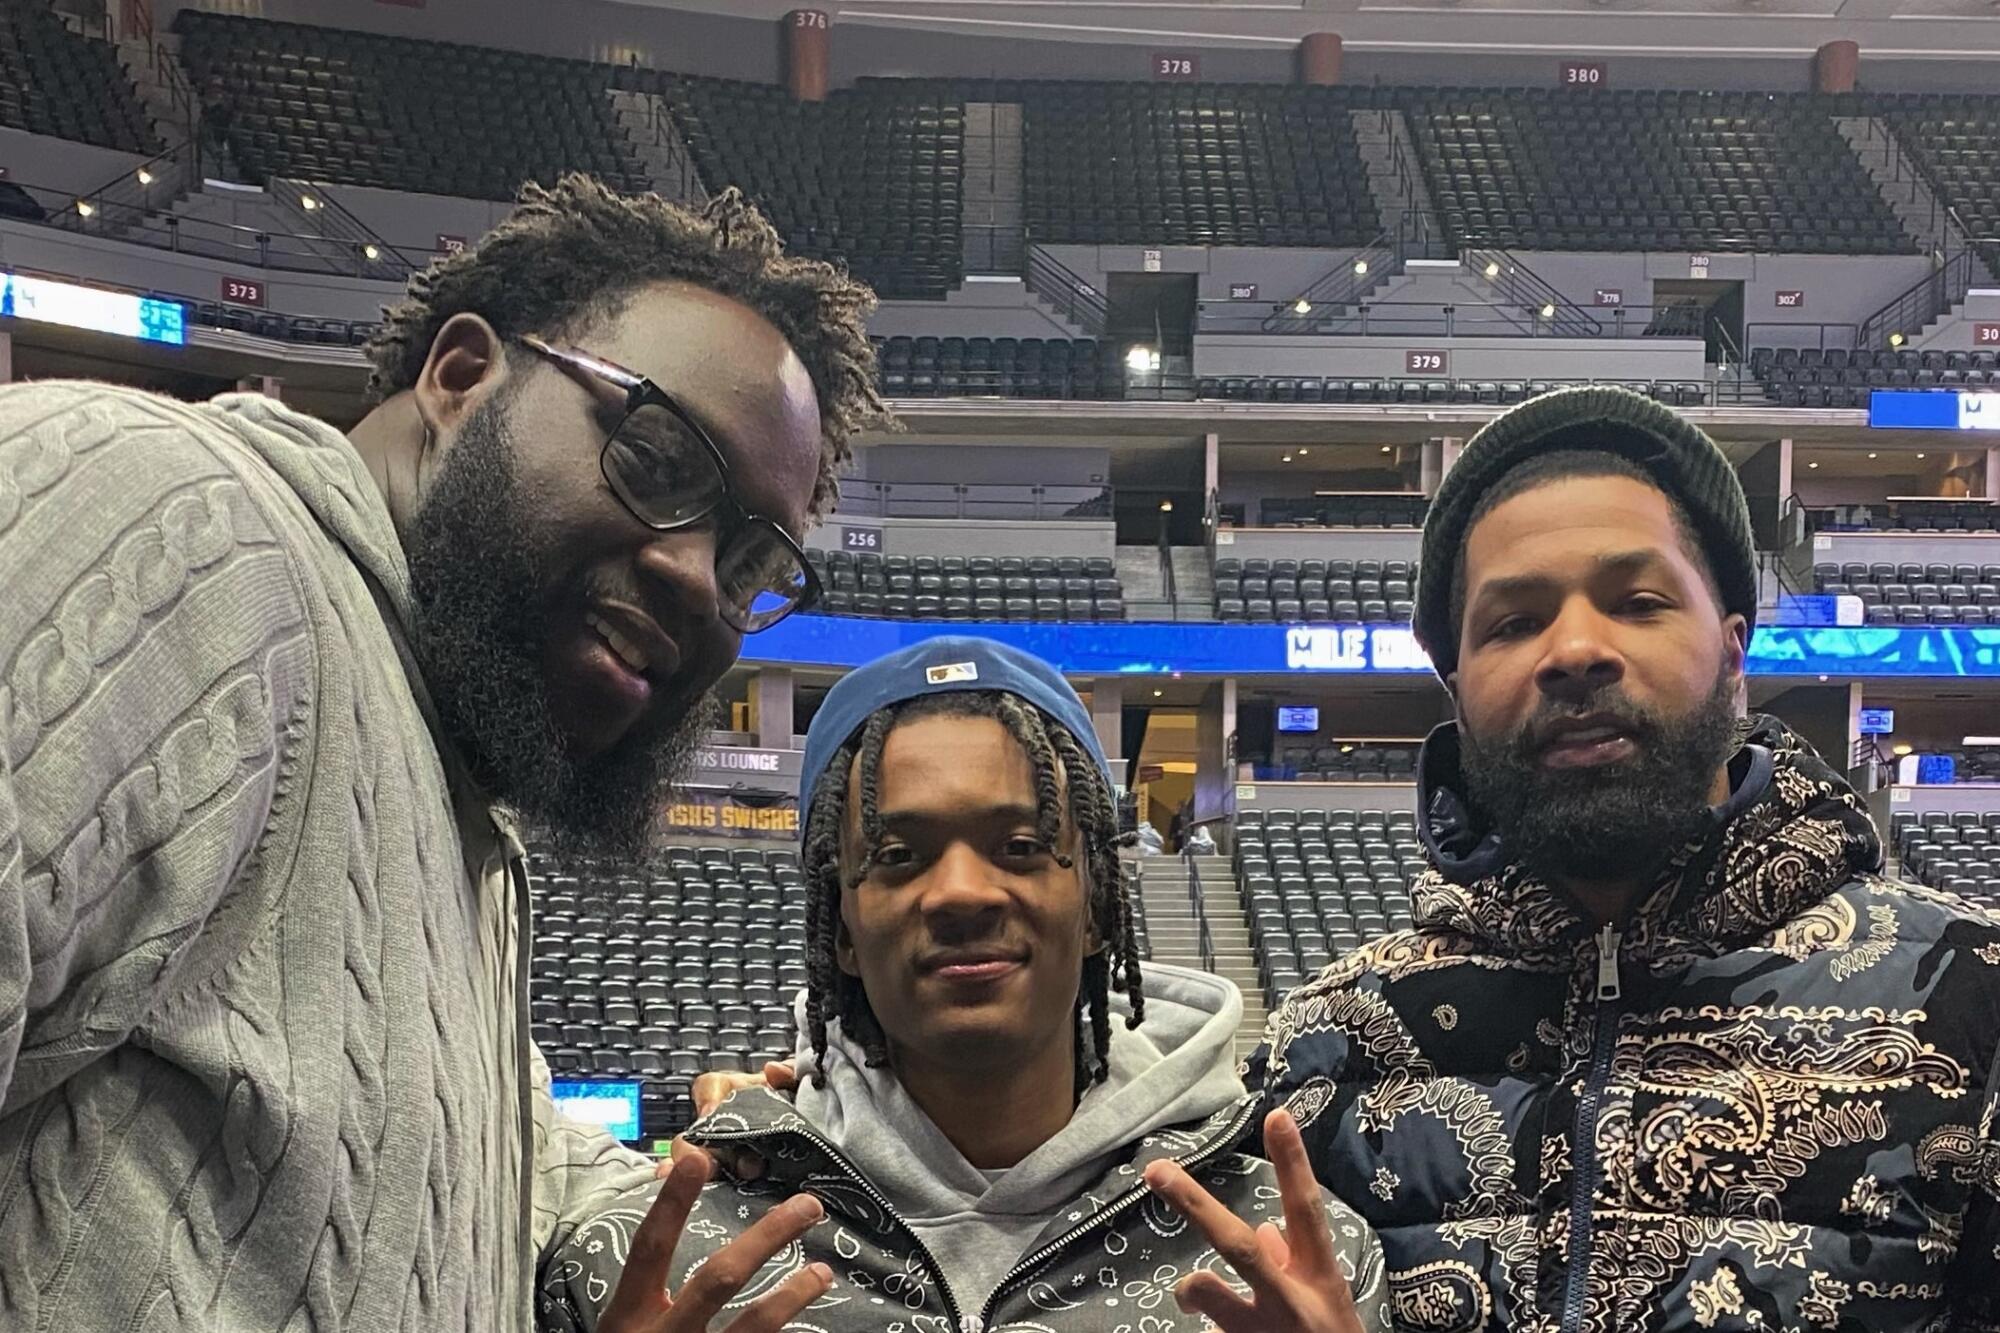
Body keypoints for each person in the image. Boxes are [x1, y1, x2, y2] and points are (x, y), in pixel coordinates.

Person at [0, 175, 889, 1330]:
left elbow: (423, 1164)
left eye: (747, 564)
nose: (690, 574)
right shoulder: (176, 517)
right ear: (462, 379)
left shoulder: (449, 782)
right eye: (659, 461)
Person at [1248, 386, 2000, 1331]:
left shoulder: (1973, 995)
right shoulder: (1326, 1044)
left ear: (1734, 654)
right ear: (1456, 689)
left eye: (1637, 602)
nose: (1573, 650)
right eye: (1513, 622)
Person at [538, 637, 1389, 1333]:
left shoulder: (1294, 1264)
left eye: (1021, 845)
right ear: (838, 927)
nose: (961, 893)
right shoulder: (651, 1263)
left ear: (1095, 909)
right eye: (899, 856)